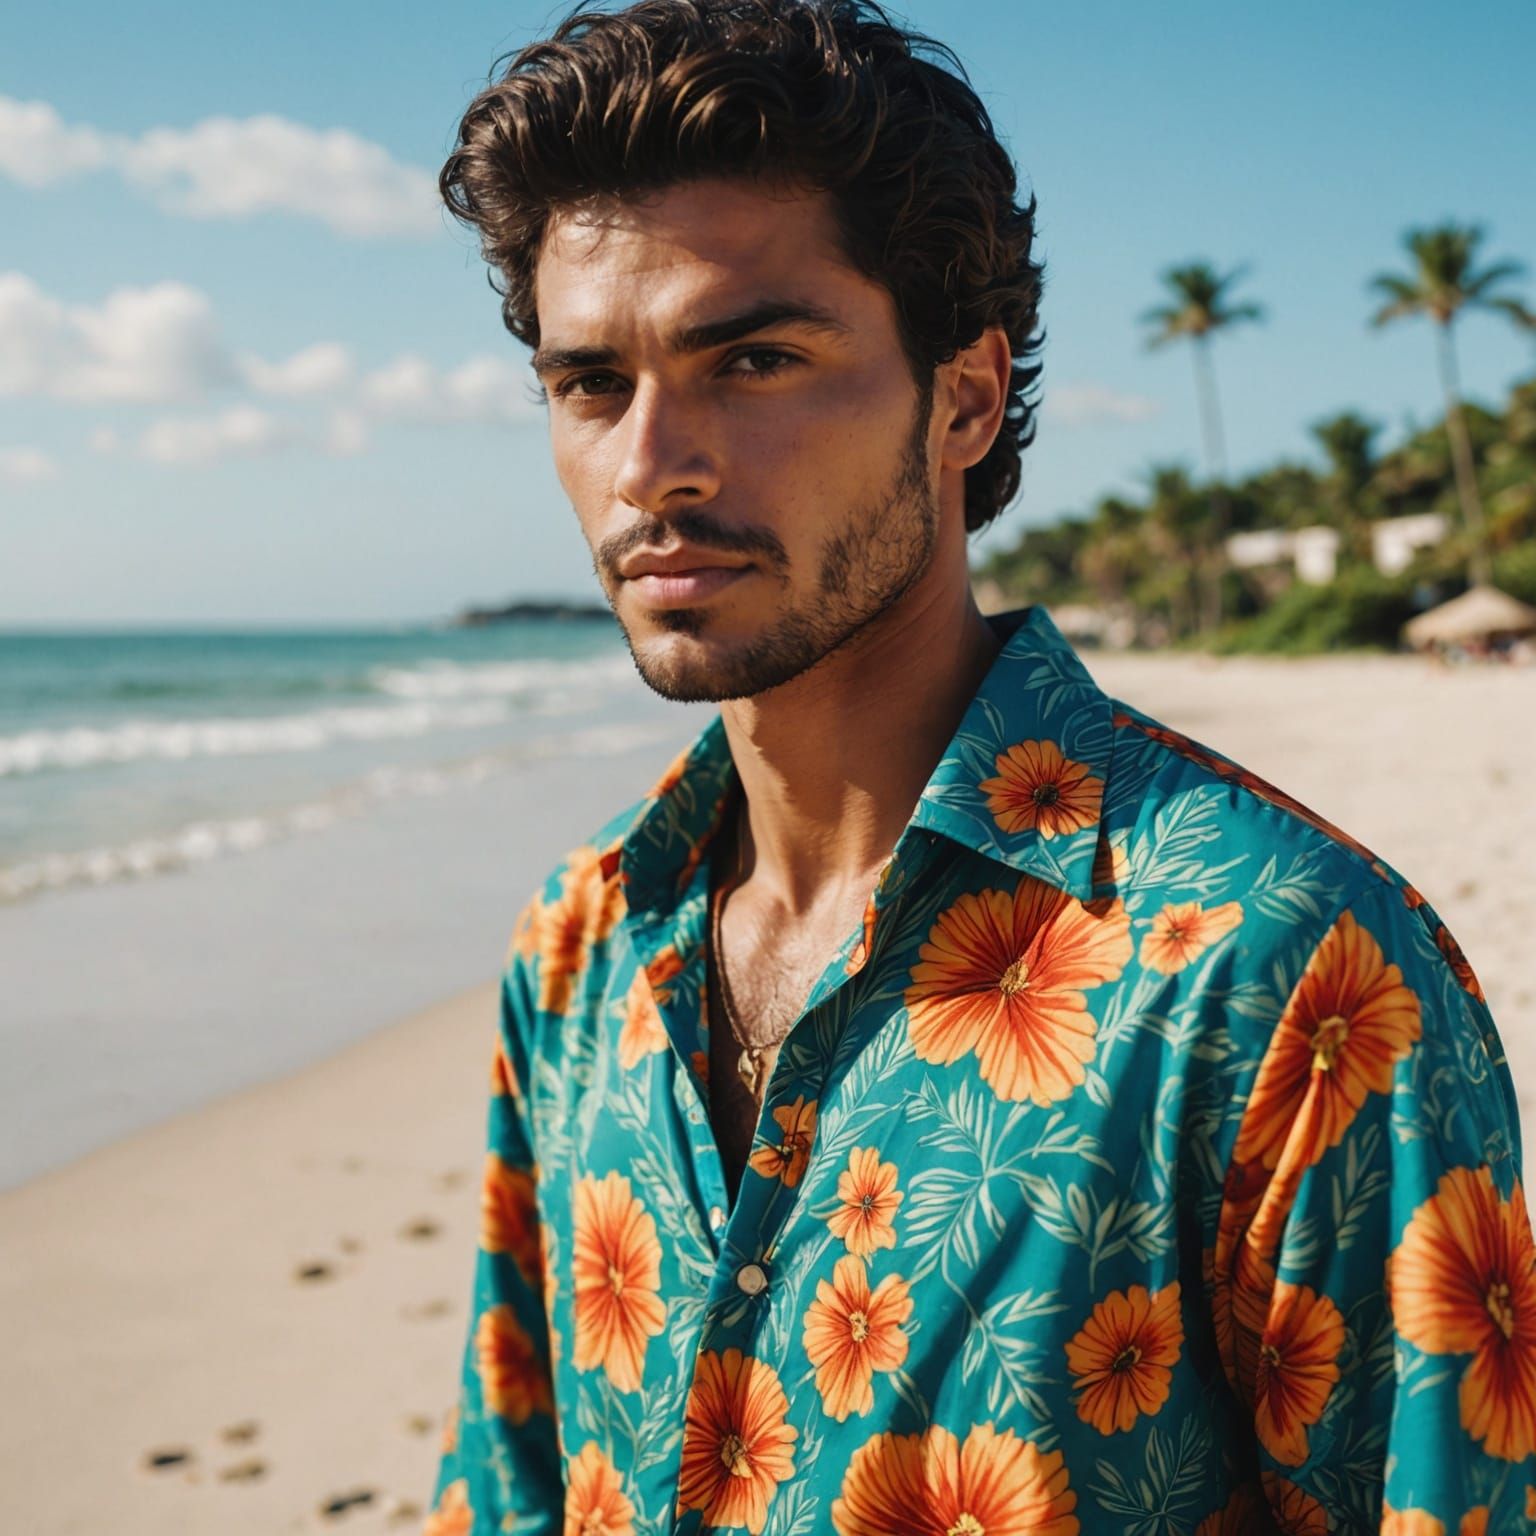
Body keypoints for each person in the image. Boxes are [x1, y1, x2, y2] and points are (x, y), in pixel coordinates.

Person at [424, 3, 1533, 1531]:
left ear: (961, 394)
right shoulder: (579, 946)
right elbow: (509, 1488)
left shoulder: (1287, 974)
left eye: (751, 357)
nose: (648, 463)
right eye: (590, 382)